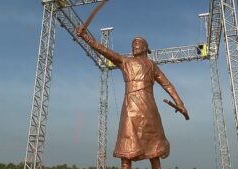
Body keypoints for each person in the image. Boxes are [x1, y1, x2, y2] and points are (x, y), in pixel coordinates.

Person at [76, 26, 189, 169]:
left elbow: (167, 84)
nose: (134, 47)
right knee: (126, 151)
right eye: (133, 45)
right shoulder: (125, 61)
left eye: (137, 44)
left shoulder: (151, 65)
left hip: (148, 108)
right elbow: (103, 50)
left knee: (154, 150)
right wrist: (85, 37)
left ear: (145, 48)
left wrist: (180, 103)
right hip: (130, 108)